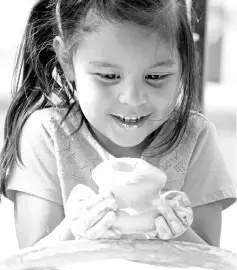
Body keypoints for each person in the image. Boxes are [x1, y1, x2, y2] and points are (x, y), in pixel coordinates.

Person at [0, 0, 235, 249]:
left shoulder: (194, 139)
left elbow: (212, 262)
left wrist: (177, 232)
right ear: (66, 60)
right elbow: (31, 265)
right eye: (109, 76)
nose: (132, 99)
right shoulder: (46, 136)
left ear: (185, 64)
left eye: (155, 77)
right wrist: (74, 229)